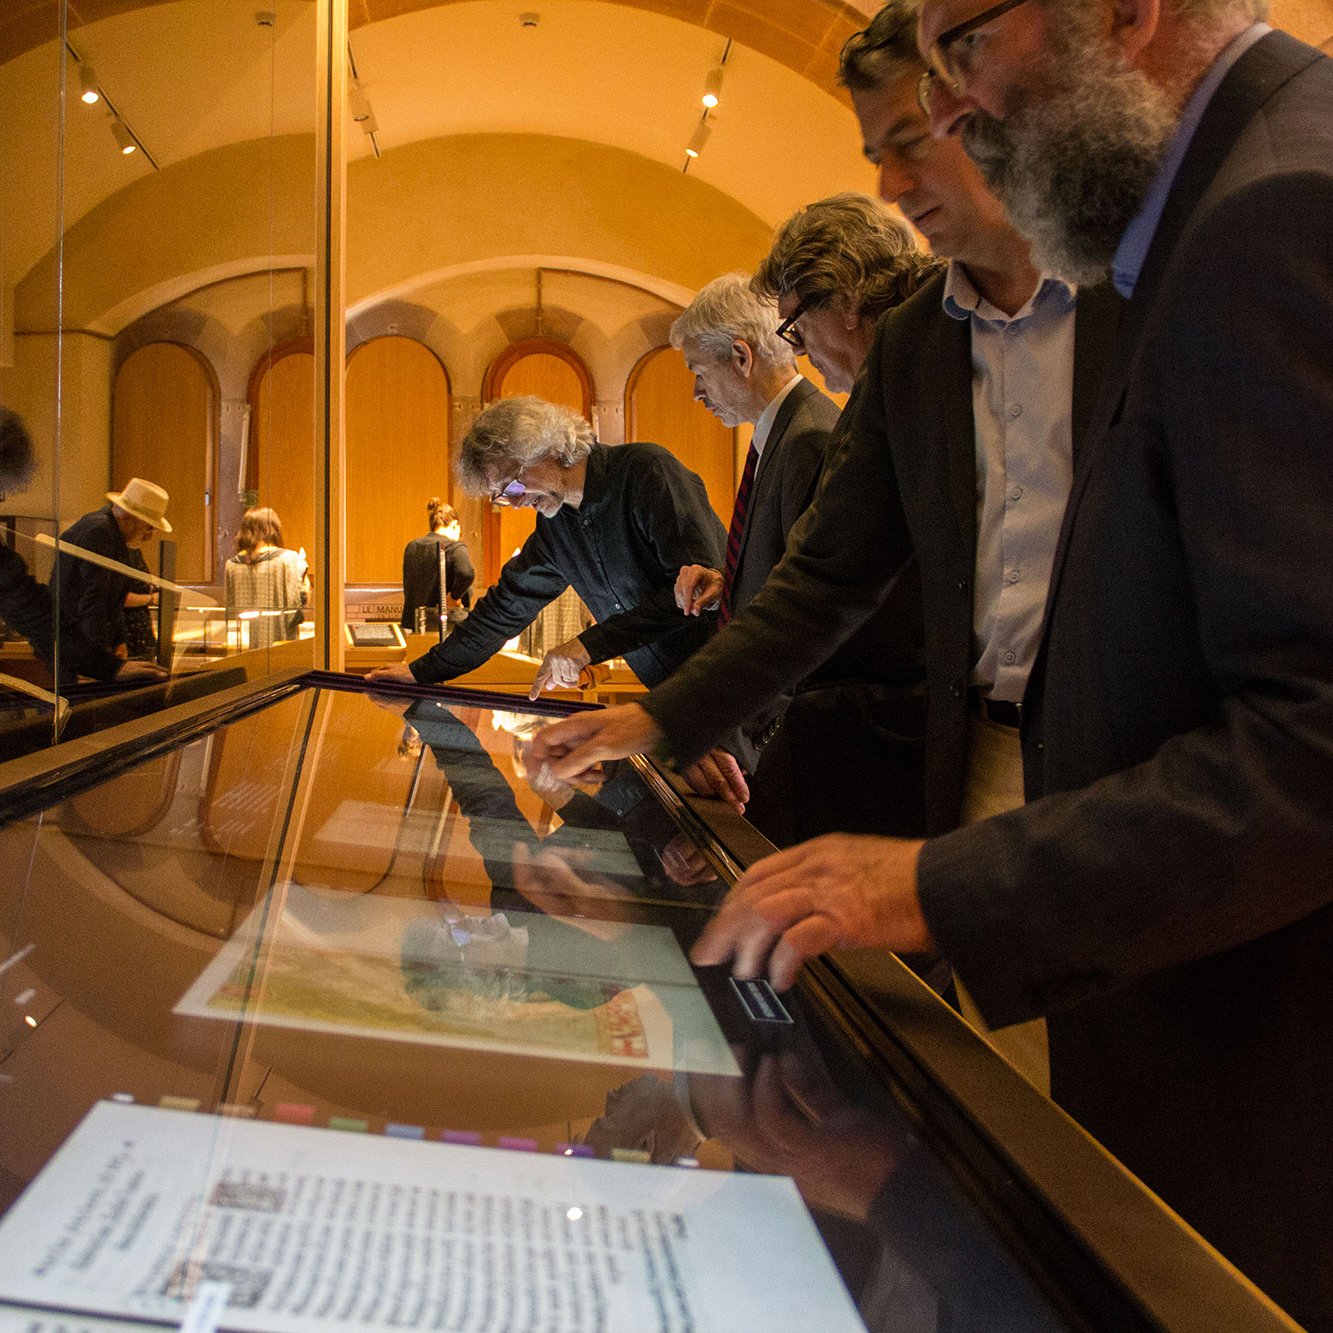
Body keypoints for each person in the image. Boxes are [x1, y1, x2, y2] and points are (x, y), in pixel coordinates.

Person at [530, 0, 1119, 1086]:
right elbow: (823, 580)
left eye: (912, 140)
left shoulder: (1128, 283)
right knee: (1008, 1089)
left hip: (1122, 764)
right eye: (876, 154)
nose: (891, 185)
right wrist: (659, 717)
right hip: (979, 762)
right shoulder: (919, 346)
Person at [367, 396, 732, 769]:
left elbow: (698, 594)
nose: (515, 504)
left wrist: (586, 647)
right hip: (678, 710)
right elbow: (503, 610)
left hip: (737, 689)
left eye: (512, 487)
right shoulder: (555, 527)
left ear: (549, 448)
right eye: (503, 498)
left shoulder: (647, 472)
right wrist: (420, 672)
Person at [0, 411, 163, 686]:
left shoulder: (109, 533)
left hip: (74, 645)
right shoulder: (99, 531)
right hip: (72, 647)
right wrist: (104, 664)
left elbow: (26, 602)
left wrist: (108, 663)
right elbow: (90, 601)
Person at [56, 476, 174, 682]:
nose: (150, 536)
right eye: (148, 527)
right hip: (73, 647)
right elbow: (94, 599)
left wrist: (119, 640)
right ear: (128, 517)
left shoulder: (114, 535)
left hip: (83, 646)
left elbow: (113, 596)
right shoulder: (99, 533)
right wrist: (100, 662)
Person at [224, 506, 309, 651]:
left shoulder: (232, 565)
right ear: (274, 529)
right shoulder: (288, 559)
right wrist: (303, 573)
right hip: (279, 647)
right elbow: (299, 605)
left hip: (242, 649)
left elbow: (229, 612)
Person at [400, 497, 475, 634]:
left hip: (414, 625)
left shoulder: (412, 547)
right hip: (446, 626)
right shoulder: (454, 547)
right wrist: (454, 597)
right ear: (455, 525)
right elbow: (466, 573)